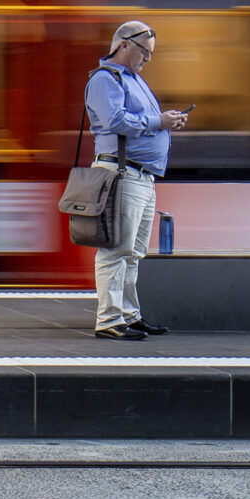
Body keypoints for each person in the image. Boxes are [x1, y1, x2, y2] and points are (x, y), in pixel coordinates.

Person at [85, 20, 187, 340]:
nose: (148, 59)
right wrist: (160, 120)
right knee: (116, 249)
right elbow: (115, 120)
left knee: (133, 252)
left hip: (141, 176)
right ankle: (109, 320)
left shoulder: (133, 80)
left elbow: (139, 121)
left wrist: (164, 122)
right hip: (121, 174)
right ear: (124, 44)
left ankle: (129, 315)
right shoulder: (105, 79)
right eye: (145, 51)